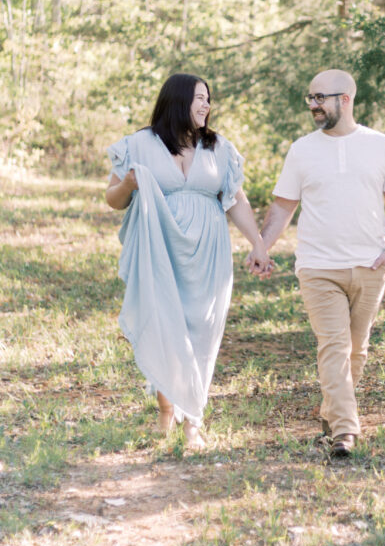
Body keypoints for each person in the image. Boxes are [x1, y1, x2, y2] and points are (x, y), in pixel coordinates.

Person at [105, 73, 272, 449]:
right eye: (199, 97)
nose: (206, 105)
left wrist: (258, 243)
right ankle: (168, 410)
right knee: (165, 324)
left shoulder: (218, 147)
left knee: (202, 329)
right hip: (160, 245)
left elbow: (235, 199)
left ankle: (192, 420)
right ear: (178, 100)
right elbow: (113, 199)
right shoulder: (140, 144)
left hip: (208, 251)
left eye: (208, 99)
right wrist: (129, 184)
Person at [257, 68, 385, 458]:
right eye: (309, 98)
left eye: (320, 97)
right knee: (335, 346)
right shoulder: (302, 150)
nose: (312, 104)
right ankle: (344, 431)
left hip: (371, 265)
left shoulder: (380, 145)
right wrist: (262, 246)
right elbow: (283, 205)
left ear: (345, 99)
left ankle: (333, 412)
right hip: (318, 266)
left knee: (357, 351)